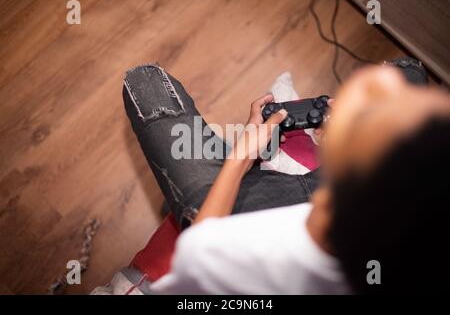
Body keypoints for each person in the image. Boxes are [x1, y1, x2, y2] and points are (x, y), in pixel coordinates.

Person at [123, 63, 450, 294]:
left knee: (145, 82)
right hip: (334, 215)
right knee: (409, 72)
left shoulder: (227, 254)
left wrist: (244, 153)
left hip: (236, 222)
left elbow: (205, 239)